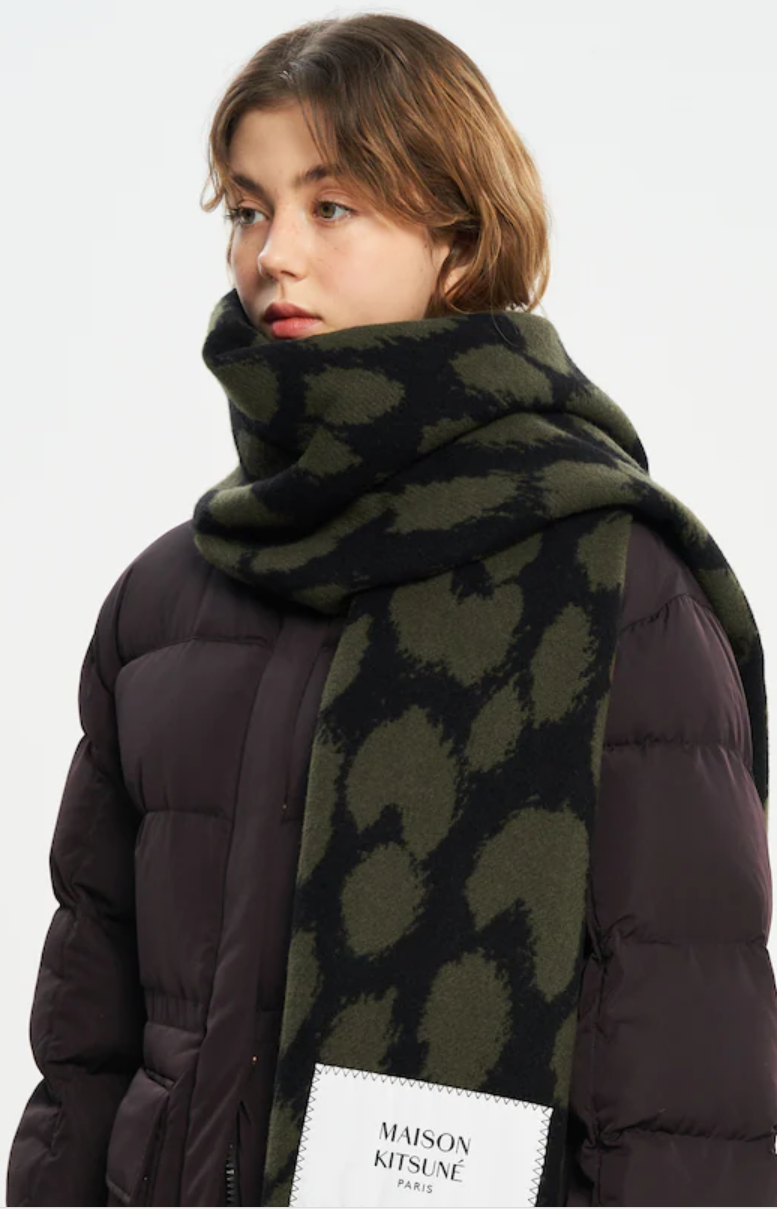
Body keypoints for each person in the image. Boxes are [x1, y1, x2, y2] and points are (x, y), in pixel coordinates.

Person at [6, 13, 777, 1208]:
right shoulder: (166, 607)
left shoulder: (618, 590)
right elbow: (85, 1054)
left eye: (333, 205)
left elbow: (690, 1095)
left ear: (458, 242)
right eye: (248, 209)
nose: (275, 255)